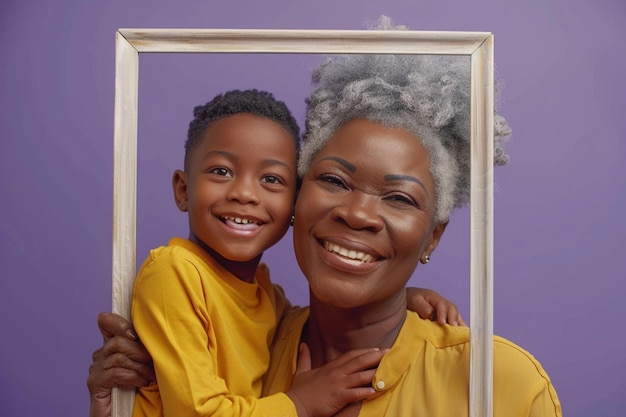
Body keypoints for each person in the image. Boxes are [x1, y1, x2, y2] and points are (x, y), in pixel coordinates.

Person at [93, 88, 465, 417]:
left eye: (271, 180)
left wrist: (400, 298)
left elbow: (277, 321)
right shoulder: (174, 271)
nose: (245, 194)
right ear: (182, 189)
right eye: (221, 171)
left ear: (292, 203)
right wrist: (299, 404)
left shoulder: (265, 296)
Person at [259, 19, 562, 416]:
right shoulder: (234, 349)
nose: (357, 214)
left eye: (399, 199)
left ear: (433, 237)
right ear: (298, 196)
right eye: (334, 179)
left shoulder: (498, 383)